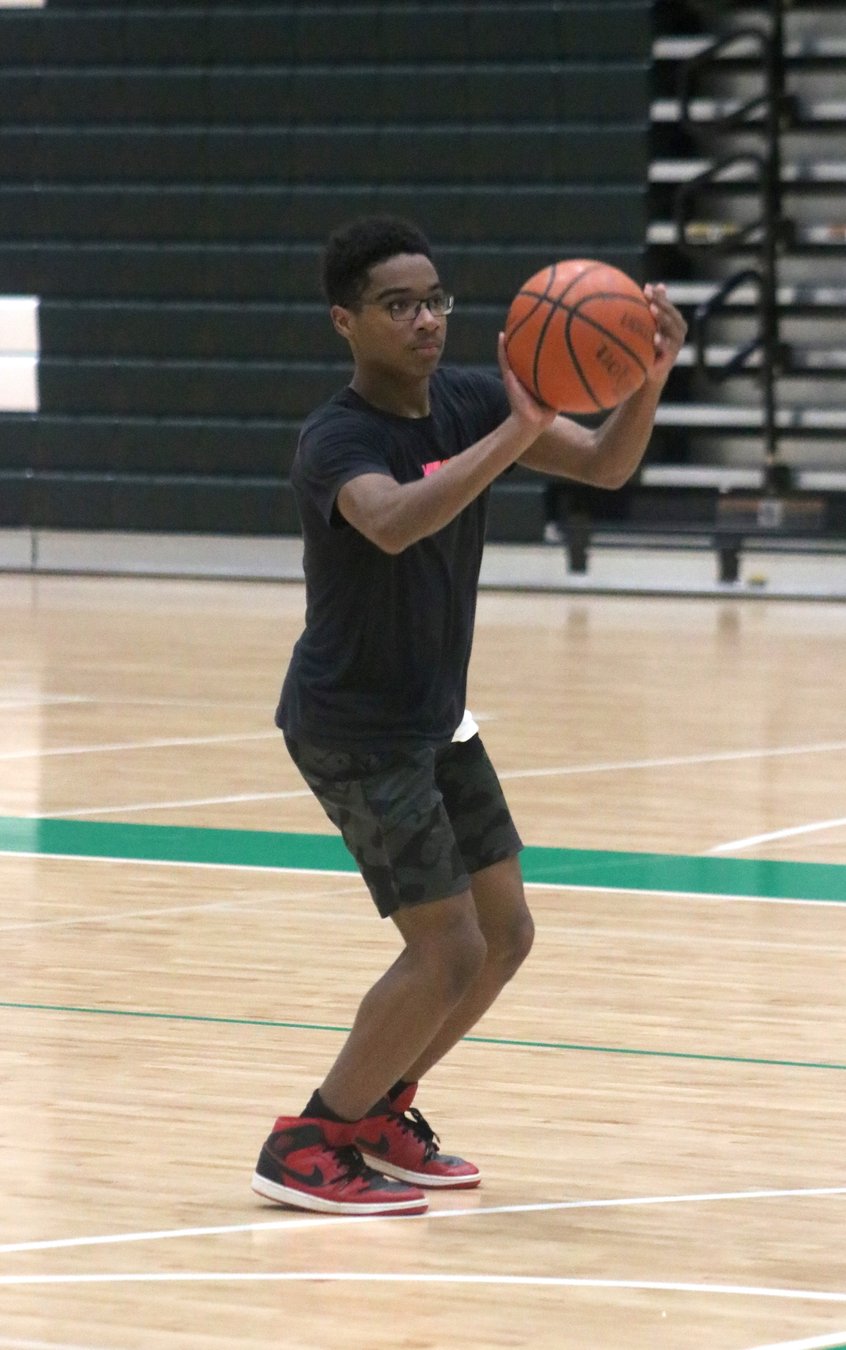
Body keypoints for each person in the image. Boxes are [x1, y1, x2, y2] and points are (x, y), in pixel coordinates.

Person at [251, 215, 686, 1216]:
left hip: (436, 716)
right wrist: (517, 431)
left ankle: (380, 1111)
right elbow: (397, 521)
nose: (425, 321)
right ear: (345, 322)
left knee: (507, 933)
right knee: (444, 947)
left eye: (435, 300)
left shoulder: (477, 398)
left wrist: (646, 380)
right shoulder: (337, 437)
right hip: (354, 725)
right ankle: (309, 1138)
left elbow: (608, 467)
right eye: (398, 305)